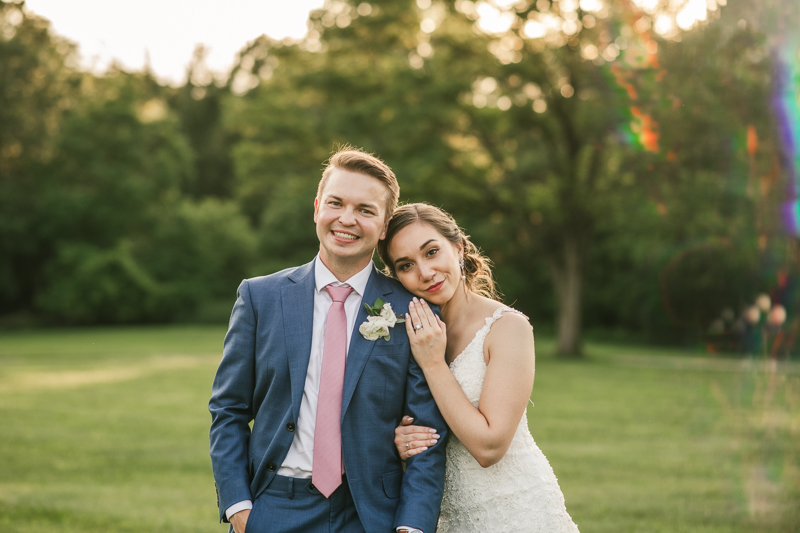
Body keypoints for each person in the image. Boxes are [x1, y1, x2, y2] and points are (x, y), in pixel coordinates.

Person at [209, 149, 448, 533]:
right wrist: (239, 506)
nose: (347, 219)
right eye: (336, 203)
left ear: (385, 226)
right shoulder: (259, 298)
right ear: (318, 207)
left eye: (365, 210)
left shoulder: (413, 311)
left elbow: (427, 436)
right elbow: (228, 409)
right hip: (273, 506)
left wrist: (413, 526)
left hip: (372, 515)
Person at [376, 203, 580, 533]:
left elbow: (490, 445)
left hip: (513, 513)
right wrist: (400, 440)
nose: (425, 272)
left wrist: (432, 362)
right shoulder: (405, 332)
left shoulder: (507, 328)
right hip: (443, 518)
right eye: (406, 265)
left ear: (458, 248)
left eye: (432, 252)